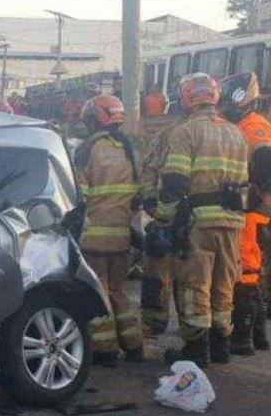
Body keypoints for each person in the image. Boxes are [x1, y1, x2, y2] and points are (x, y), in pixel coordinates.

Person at [153, 73, 249, 367]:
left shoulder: (185, 132)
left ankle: (197, 348)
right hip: (232, 222)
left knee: (196, 283)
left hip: (198, 221)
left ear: (187, 98)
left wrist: (164, 221)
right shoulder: (237, 133)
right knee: (224, 283)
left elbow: (174, 183)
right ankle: (221, 344)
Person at [74, 95, 145, 365]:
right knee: (118, 291)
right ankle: (134, 346)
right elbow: (139, 193)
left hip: (93, 236)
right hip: (122, 235)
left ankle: (105, 351)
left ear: (97, 119)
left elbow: (78, 194)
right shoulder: (129, 148)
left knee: (98, 292)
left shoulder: (88, 148)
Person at [234, 147, 271, 354]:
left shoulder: (255, 199)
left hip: (251, 233)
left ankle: (242, 340)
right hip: (260, 229)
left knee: (246, 284)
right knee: (254, 285)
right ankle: (258, 337)